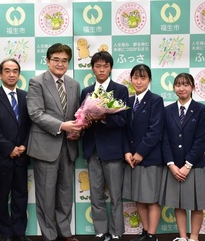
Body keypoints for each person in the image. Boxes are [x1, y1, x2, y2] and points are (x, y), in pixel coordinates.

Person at [26, 43, 82, 241]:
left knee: (66, 195)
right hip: (45, 148)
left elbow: (77, 115)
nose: (60, 63)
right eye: (56, 59)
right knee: (46, 196)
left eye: (65, 60)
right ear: (48, 61)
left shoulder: (74, 84)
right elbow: (35, 113)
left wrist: (77, 129)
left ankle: (66, 233)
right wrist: (62, 126)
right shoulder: (36, 82)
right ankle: (49, 236)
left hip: (69, 148)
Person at [81, 51, 128, 241]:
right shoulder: (86, 92)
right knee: (96, 194)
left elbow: (123, 119)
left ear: (110, 68)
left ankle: (116, 232)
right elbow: (81, 118)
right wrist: (85, 121)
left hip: (113, 150)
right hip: (92, 149)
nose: (102, 69)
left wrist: (103, 118)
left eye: (105, 66)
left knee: (116, 195)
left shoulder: (120, 90)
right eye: (98, 66)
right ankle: (100, 231)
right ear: (92, 68)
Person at [159, 73, 205, 241]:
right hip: (174, 165)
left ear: (193, 87)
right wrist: (171, 165)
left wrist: (187, 165)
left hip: (194, 165)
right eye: (178, 85)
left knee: (196, 205)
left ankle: (194, 237)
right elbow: (164, 139)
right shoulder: (167, 111)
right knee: (179, 203)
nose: (181, 88)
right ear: (174, 88)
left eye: (185, 84)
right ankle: (183, 237)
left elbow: (201, 141)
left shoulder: (201, 110)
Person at [0, 59, 31, 241]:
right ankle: (6, 234)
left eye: (15, 71)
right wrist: (9, 148)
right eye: (7, 71)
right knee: (2, 197)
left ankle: (20, 233)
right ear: (0, 74)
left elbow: (30, 126)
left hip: (22, 155)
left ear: (19, 74)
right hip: (3, 156)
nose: (12, 74)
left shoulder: (26, 96)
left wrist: (24, 146)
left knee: (21, 197)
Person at [122, 64, 165, 241]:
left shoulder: (156, 100)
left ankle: (152, 235)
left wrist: (140, 152)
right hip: (132, 159)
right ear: (131, 79)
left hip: (150, 158)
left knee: (152, 199)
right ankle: (145, 232)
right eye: (136, 78)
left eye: (143, 78)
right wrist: (127, 152)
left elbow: (155, 130)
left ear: (149, 80)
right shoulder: (129, 102)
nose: (139, 81)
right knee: (138, 197)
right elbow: (124, 130)